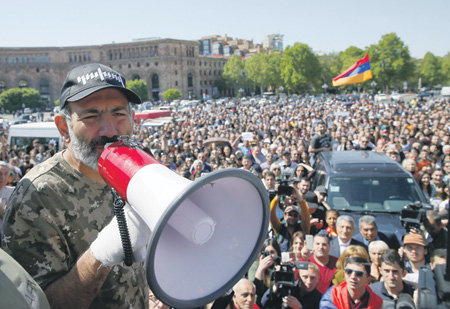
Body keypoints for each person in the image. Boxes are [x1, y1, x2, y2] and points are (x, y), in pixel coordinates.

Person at [2, 63, 150, 308]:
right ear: (63, 127)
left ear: (132, 119)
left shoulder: (132, 171)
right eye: (91, 116)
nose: (110, 129)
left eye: (119, 114)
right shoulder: (38, 196)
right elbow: (38, 303)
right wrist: (101, 253)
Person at [270, 186, 311, 252]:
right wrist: (278, 196)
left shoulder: (303, 228)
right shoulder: (279, 228)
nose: (292, 217)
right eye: (290, 214)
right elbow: (271, 214)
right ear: (284, 216)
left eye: (295, 215)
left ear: (299, 218)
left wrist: (299, 197)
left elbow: (306, 215)